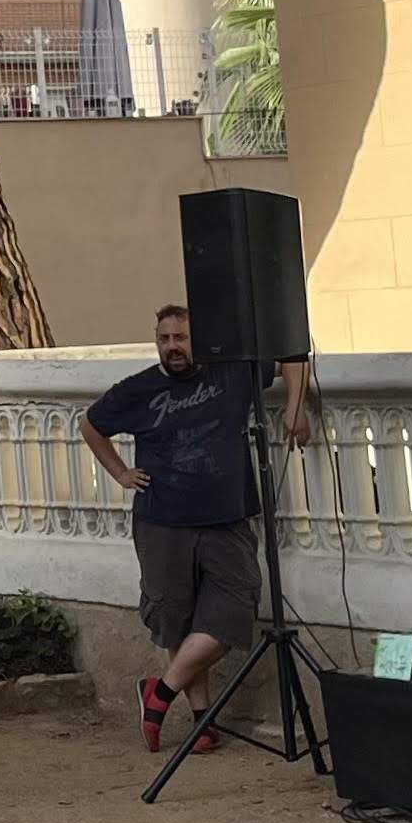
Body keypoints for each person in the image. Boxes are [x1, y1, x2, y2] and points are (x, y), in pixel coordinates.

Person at [80, 304, 314, 755]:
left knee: (232, 614)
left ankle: (160, 692)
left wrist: (295, 408)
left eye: (181, 338)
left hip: (228, 518)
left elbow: (293, 357)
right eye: (165, 339)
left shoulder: (230, 374)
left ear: (200, 341)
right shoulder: (139, 389)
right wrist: (121, 473)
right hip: (162, 522)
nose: (173, 347)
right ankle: (203, 721)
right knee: (176, 620)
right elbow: (91, 425)